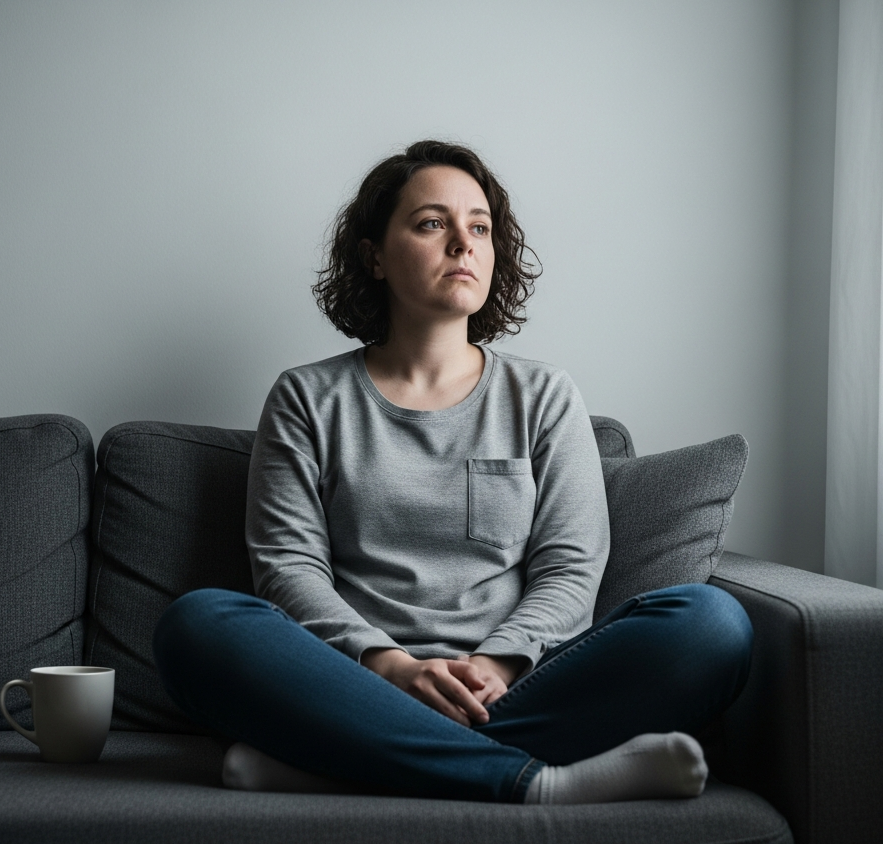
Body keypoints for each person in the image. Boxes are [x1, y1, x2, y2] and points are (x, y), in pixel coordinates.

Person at [152, 141, 753, 804]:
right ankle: (537, 783)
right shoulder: (306, 398)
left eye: (480, 227)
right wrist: (391, 667)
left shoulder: (544, 395)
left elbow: (572, 566)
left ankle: (337, 767)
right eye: (432, 223)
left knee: (710, 624)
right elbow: (288, 570)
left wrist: (496, 661)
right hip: (353, 683)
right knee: (197, 625)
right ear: (373, 255)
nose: (463, 244)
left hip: (516, 685)